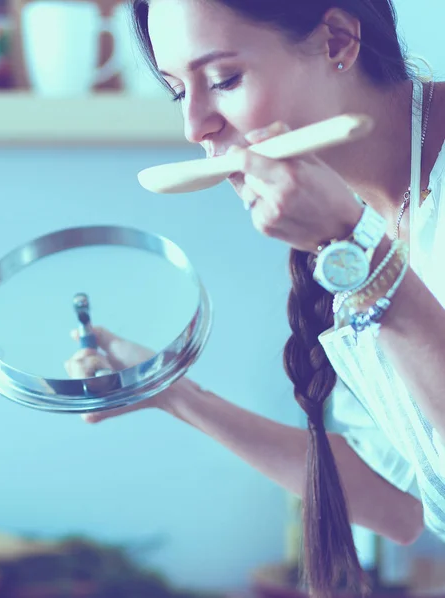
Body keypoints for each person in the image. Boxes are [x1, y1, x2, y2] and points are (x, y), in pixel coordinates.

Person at [64, 1, 445, 596]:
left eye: (223, 79)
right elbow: (399, 503)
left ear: (338, 42)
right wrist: (172, 391)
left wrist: (357, 248)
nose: (194, 127)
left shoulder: (349, 232)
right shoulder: (341, 219)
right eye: (175, 91)